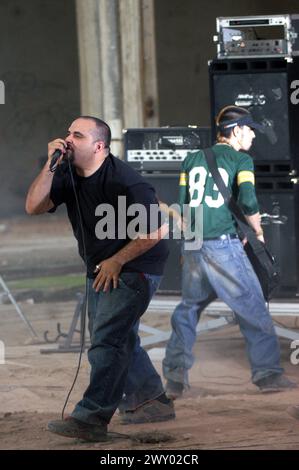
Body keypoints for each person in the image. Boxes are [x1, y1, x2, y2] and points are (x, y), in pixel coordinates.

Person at [25, 116, 175, 442]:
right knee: (120, 336)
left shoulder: (126, 180)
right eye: (67, 133)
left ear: (98, 146)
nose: (67, 139)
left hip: (137, 265)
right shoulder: (66, 174)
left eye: (76, 135)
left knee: (107, 340)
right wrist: (50, 166)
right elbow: (34, 206)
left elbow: (158, 230)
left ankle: (91, 417)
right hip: (101, 266)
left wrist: (117, 260)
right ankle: (151, 401)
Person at [162, 105, 297, 398]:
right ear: (236, 131)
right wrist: (257, 233)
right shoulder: (241, 160)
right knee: (253, 305)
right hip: (223, 245)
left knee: (189, 309)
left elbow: (183, 207)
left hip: (196, 244)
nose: (252, 136)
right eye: (250, 130)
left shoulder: (191, 160)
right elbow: (248, 203)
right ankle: (268, 375)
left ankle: (174, 378)